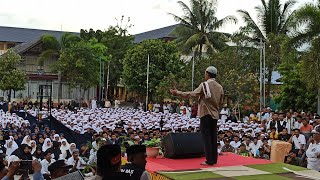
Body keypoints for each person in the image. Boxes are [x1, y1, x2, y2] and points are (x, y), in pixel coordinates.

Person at [170, 66, 224, 166]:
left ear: (207, 74)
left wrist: (178, 93)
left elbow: (192, 94)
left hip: (205, 113)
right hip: (215, 115)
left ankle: (209, 160)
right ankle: (214, 159)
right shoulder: (220, 87)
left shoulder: (204, 85)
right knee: (213, 137)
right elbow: (221, 101)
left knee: (206, 137)